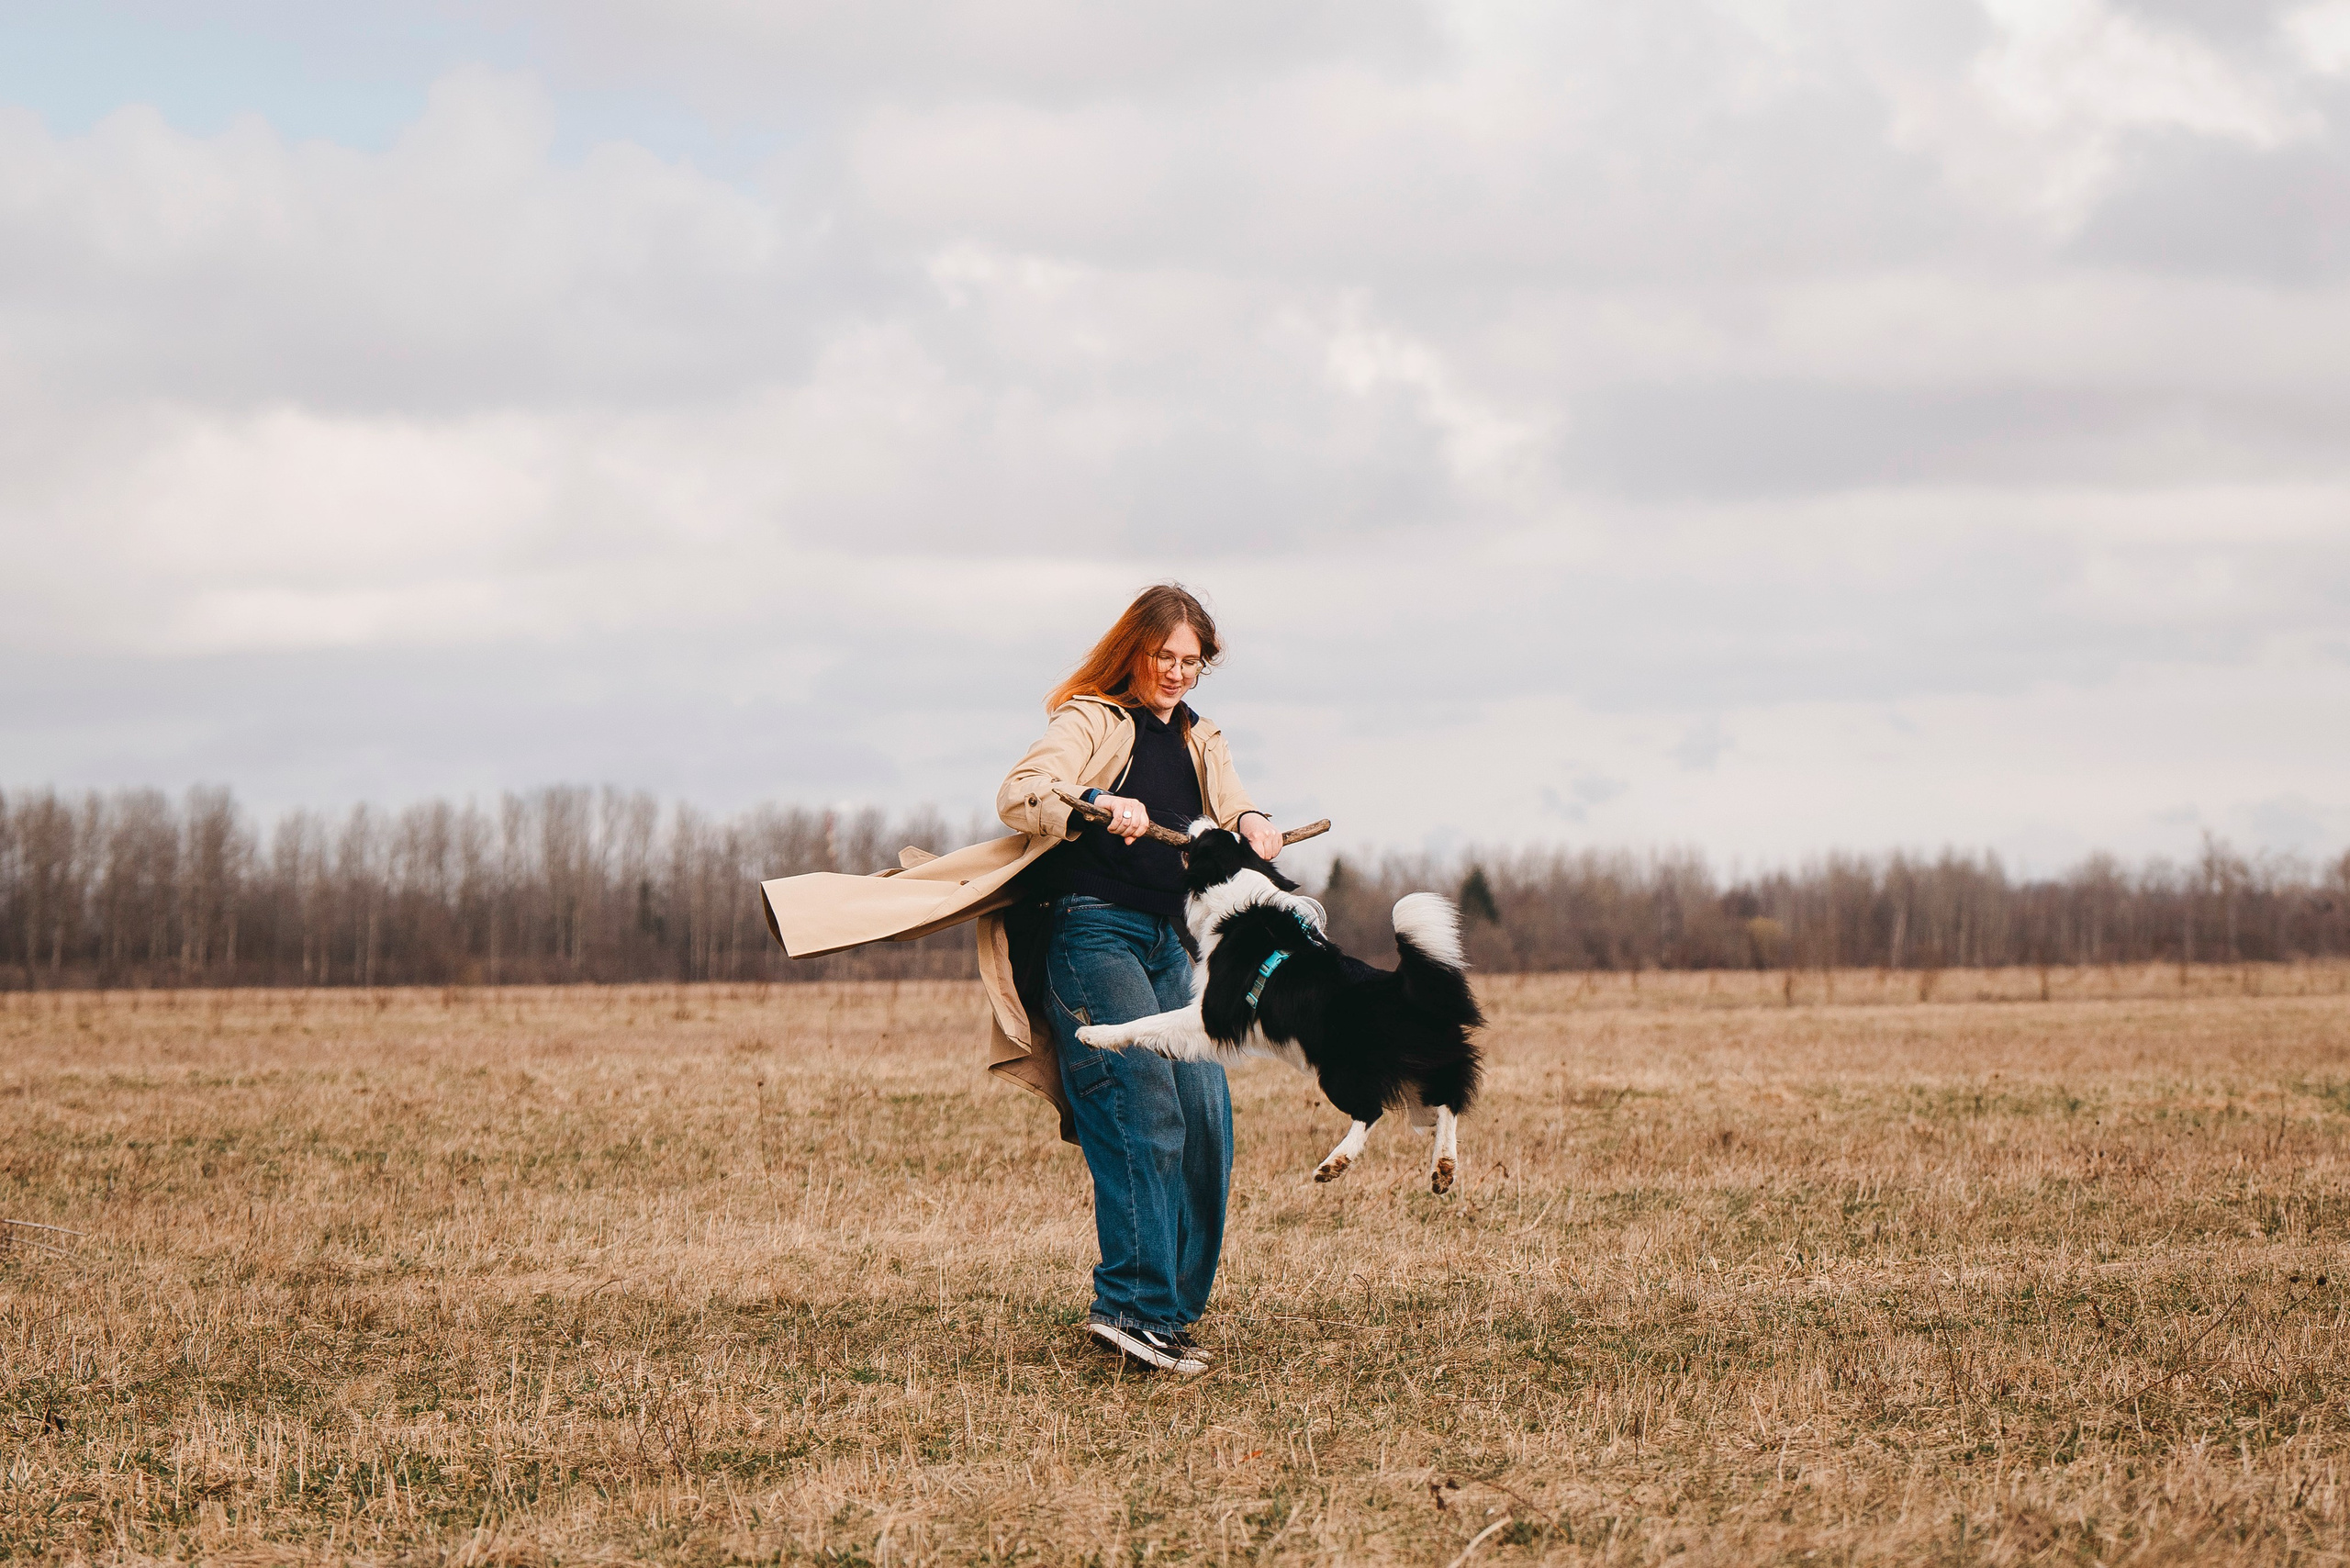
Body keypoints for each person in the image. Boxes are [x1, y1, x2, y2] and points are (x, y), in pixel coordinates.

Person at [995, 584, 1285, 1375]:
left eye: (1193, 661)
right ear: (1135, 650)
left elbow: (1232, 808)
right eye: (1165, 656)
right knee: (1144, 1104)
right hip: (1093, 933)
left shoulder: (1200, 736)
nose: (1178, 673)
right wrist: (1093, 800)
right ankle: (1130, 1307)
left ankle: (1168, 1315)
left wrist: (1255, 822)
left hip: (1168, 942)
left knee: (1206, 1114)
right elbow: (1021, 792)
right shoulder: (1090, 718)